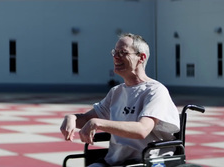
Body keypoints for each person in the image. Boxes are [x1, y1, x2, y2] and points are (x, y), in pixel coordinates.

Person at [60, 33, 180, 166]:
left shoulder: (155, 90)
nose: (116, 57)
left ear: (141, 57)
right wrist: (71, 117)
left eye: (123, 52)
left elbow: (142, 130)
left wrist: (98, 123)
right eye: (115, 52)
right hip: (115, 161)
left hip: (147, 161)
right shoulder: (116, 92)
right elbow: (86, 119)